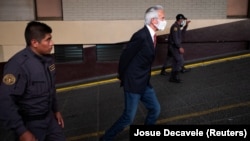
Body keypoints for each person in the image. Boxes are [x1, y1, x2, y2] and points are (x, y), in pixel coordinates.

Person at [100, 5, 167, 141]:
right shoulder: (141, 36)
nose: (165, 20)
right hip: (133, 82)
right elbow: (125, 57)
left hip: (144, 82)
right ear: (154, 20)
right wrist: (122, 76)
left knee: (155, 109)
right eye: (162, 17)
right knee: (128, 118)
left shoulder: (152, 36)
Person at [0, 21, 66, 141]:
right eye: (48, 40)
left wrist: (56, 110)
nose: (52, 43)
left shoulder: (48, 60)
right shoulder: (18, 65)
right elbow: (5, 101)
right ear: (34, 42)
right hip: (31, 124)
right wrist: (21, 131)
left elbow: (51, 88)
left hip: (49, 119)